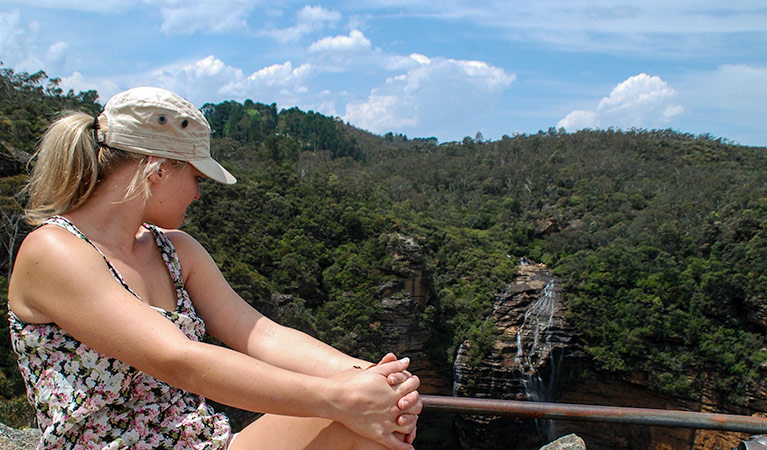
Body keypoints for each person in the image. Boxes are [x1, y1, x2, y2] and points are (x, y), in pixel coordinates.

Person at [7, 87, 421, 449]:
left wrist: (376, 379)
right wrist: (341, 397)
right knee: (357, 415)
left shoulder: (176, 251)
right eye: (196, 176)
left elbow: (261, 333)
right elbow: (176, 358)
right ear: (159, 169)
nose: (198, 193)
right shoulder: (53, 251)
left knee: (381, 423)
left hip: (208, 444)